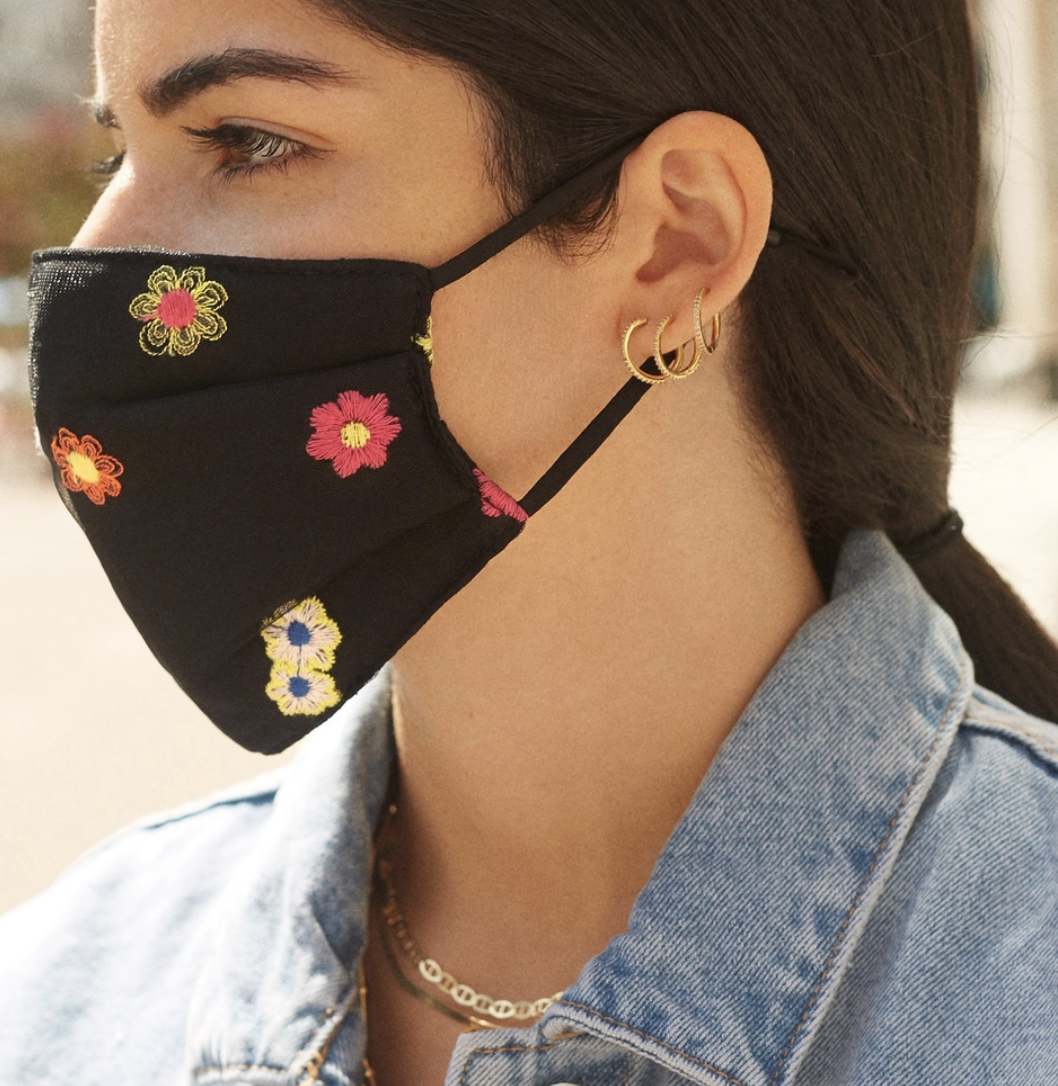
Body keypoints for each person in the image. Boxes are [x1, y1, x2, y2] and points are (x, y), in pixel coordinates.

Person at [2, 0, 1058, 1083]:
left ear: (675, 240)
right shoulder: (55, 1003)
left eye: (250, 142)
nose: (95, 264)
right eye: (113, 155)